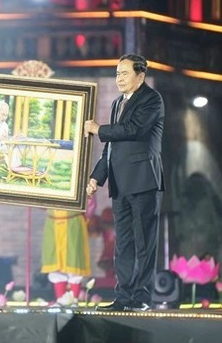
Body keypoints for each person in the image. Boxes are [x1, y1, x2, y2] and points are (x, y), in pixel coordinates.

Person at [84, 53, 164, 312]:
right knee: (123, 244)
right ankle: (124, 297)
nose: (119, 78)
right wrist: (96, 178)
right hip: (120, 184)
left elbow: (133, 129)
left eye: (124, 73)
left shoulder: (151, 99)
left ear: (140, 76)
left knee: (144, 243)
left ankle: (142, 297)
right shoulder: (118, 103)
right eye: (117, 73)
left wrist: (98, 129)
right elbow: (111, 147)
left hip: (143, 181)